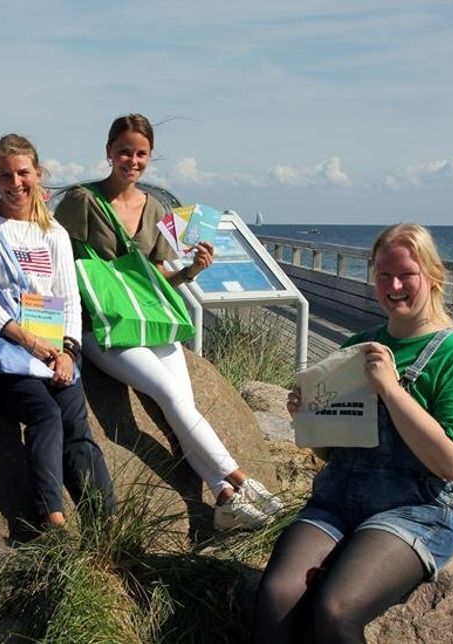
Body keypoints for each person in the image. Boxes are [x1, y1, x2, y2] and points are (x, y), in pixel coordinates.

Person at [252, 223, 453, 643]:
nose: (393, 285)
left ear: (433, 276)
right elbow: (331, 452)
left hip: (416, 510)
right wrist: (306, 418)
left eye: (406, 275)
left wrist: (391, 389)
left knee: (334, 609)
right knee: (276, 595)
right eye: (383, 275)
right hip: (338, 499)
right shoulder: (358, 345)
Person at [54, 114, 282, 530]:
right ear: (108, 152)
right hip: (102, 324)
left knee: (181, 403)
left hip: (149, 320)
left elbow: (155, 278)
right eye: (124, 151)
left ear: (150, 157)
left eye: (141, 154)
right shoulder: (81, 201)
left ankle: (224, 496)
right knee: (168, 394)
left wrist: (192, 270)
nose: (132, 160)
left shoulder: (155, 207)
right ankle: (240, 479)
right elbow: (56, 257)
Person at [0, 134, 114, 529]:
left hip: (54, 349)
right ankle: (53, 517)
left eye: (23, 173)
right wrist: (30, 343)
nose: (15, 184)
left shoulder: (55, 234)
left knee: (78, 428)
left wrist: (68, 351)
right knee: (44, 415)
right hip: (7, 348)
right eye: (5, 176)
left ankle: (107, 523)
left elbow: (69, 299)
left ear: (38, 174)